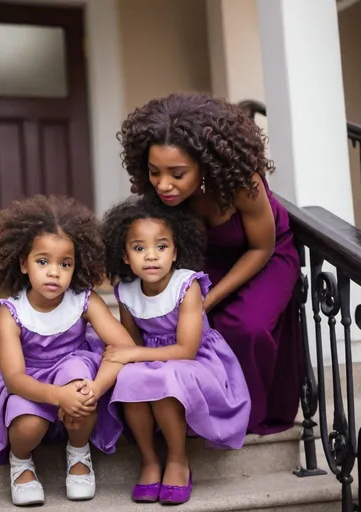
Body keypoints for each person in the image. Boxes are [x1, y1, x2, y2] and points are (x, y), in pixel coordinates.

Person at [118, 93, 302, 436]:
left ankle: (247, 416)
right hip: (205, 261)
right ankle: (192, 411)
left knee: (243, 327)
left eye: (177, 173)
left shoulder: (242, 184)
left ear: (205, 165)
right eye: (154, 172)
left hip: (263, 255)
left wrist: (208, 299)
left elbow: (262, 247)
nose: (163, 184)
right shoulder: (160, 195)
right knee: (176, 326)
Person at [0, 195, 136, 506]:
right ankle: (21, 462)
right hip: (30, 380)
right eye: (42, 262)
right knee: (28, 425)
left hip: (71, 373)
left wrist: (95, 388)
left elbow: (123, 345)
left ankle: (78, 452)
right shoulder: (12, 313)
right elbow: (14, 378)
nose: (54, 272)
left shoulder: (84, 300)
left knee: (77, 376)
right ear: (23, 263)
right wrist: (57, 397)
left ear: (77, 265)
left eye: (65, 264)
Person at [101, 197, 251, 505]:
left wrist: (134, 356)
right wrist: (132, 357)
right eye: (139, 248)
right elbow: (132, 342)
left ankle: (178, 459)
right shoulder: (126, 291)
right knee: (130, 378)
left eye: (161, 246)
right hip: (150, 356)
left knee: (165, 379)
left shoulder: (187, 285)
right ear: (126, 257)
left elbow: (185, 349)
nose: (151, 256)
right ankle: (149, 460)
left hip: (196, 361)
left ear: (175, 251)